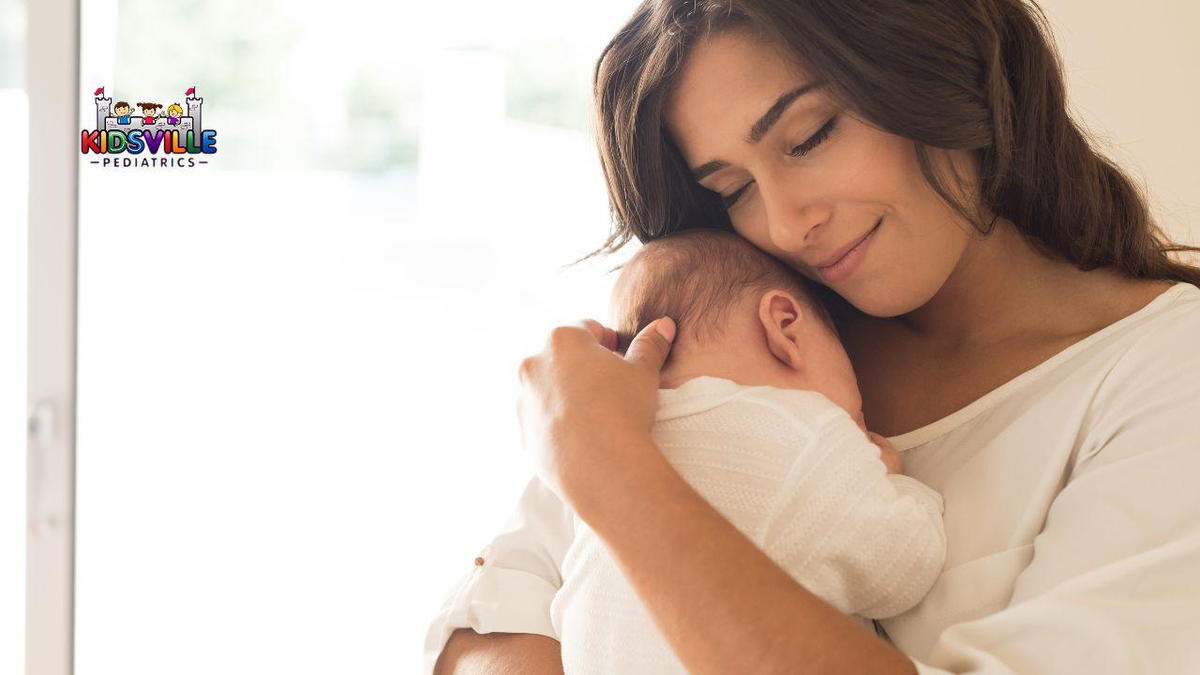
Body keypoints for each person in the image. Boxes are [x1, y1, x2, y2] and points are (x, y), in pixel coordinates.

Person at [431, 0, 1200, 673]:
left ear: (935, 68)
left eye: (809, 136)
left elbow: (585, 507)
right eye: (732, 189)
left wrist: (614, 473)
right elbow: (482, 631)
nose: (787, 223)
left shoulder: (1164, 375)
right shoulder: (744, 342)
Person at [425, 229, 947, 674]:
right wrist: (897, 485)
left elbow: (499, 593)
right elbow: (902, 569)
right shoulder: (806, 433)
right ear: (786, 324)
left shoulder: (601, 445)